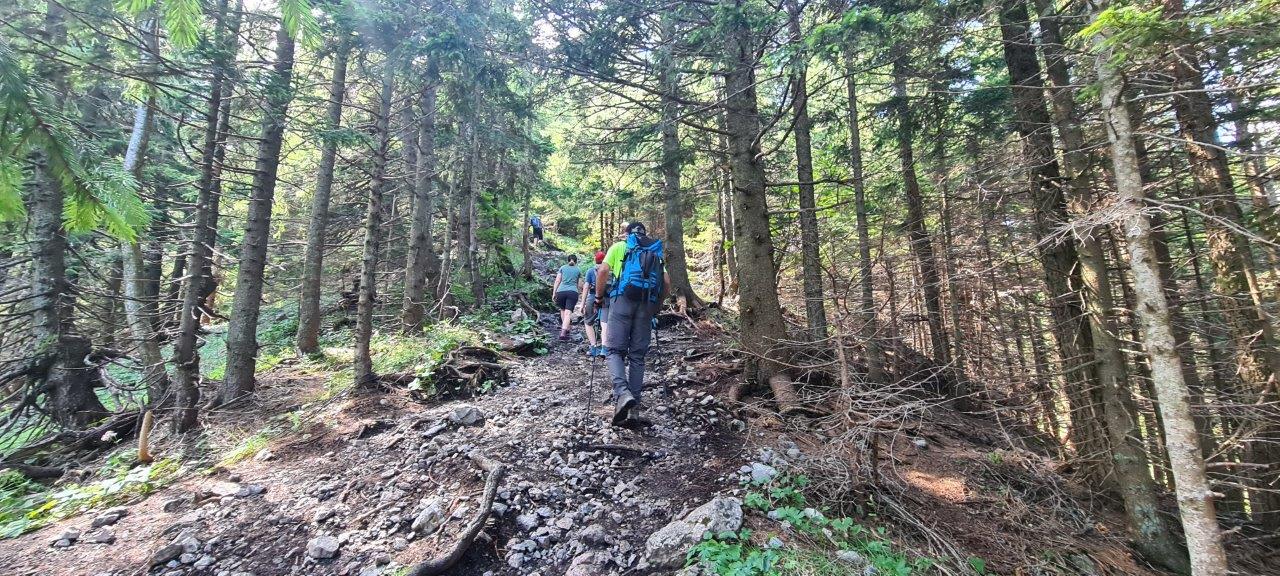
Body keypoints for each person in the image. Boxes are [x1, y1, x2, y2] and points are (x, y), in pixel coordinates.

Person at [594, 221, 669, 425]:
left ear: (628, 233)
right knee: (637, 356)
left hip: (621, 301)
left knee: (613, 351)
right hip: (646, 305)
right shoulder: (654, 252)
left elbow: (602, 271)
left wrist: (598, 298)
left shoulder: (620, 247)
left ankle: (623, 393)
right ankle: (633, 411)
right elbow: (667, 282)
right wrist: (657, 306)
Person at [576, 250, 608, 356]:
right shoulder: (609, 270)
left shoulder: (591, 271)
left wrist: (582, 303)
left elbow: (586, 287)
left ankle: (594, 347)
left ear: (596, 260)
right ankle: (604, 348)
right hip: (607, 298)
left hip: (593, 297)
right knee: (605, 323)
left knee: (588, 322)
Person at [551, 254, 583, 340]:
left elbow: (557, 280)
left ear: (567, 260)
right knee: (568, 313)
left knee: (562, 310)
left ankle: (566, 328)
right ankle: (563, 332)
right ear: (576, 261)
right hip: (572, 292)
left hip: (561, 291)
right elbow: (580, 285)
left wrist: (554, 293)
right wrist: (579, 293)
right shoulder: (578, 270)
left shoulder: (562, 268)